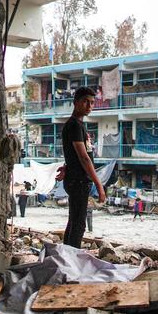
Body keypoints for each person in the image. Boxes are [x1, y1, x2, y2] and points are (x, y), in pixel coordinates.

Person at [60, 87, 106, 248]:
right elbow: (84, 158)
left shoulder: (78, 125)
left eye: (92, 102)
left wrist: (67, 166)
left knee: (74, 221)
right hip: (78, 181)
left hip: (76, 178)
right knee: (79, 224)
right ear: (76, 103)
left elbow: (74, 154)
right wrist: (99, 186)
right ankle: (72, 261)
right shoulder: (74, 126)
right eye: (85, 101)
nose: (89, 106)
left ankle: (67, 258)